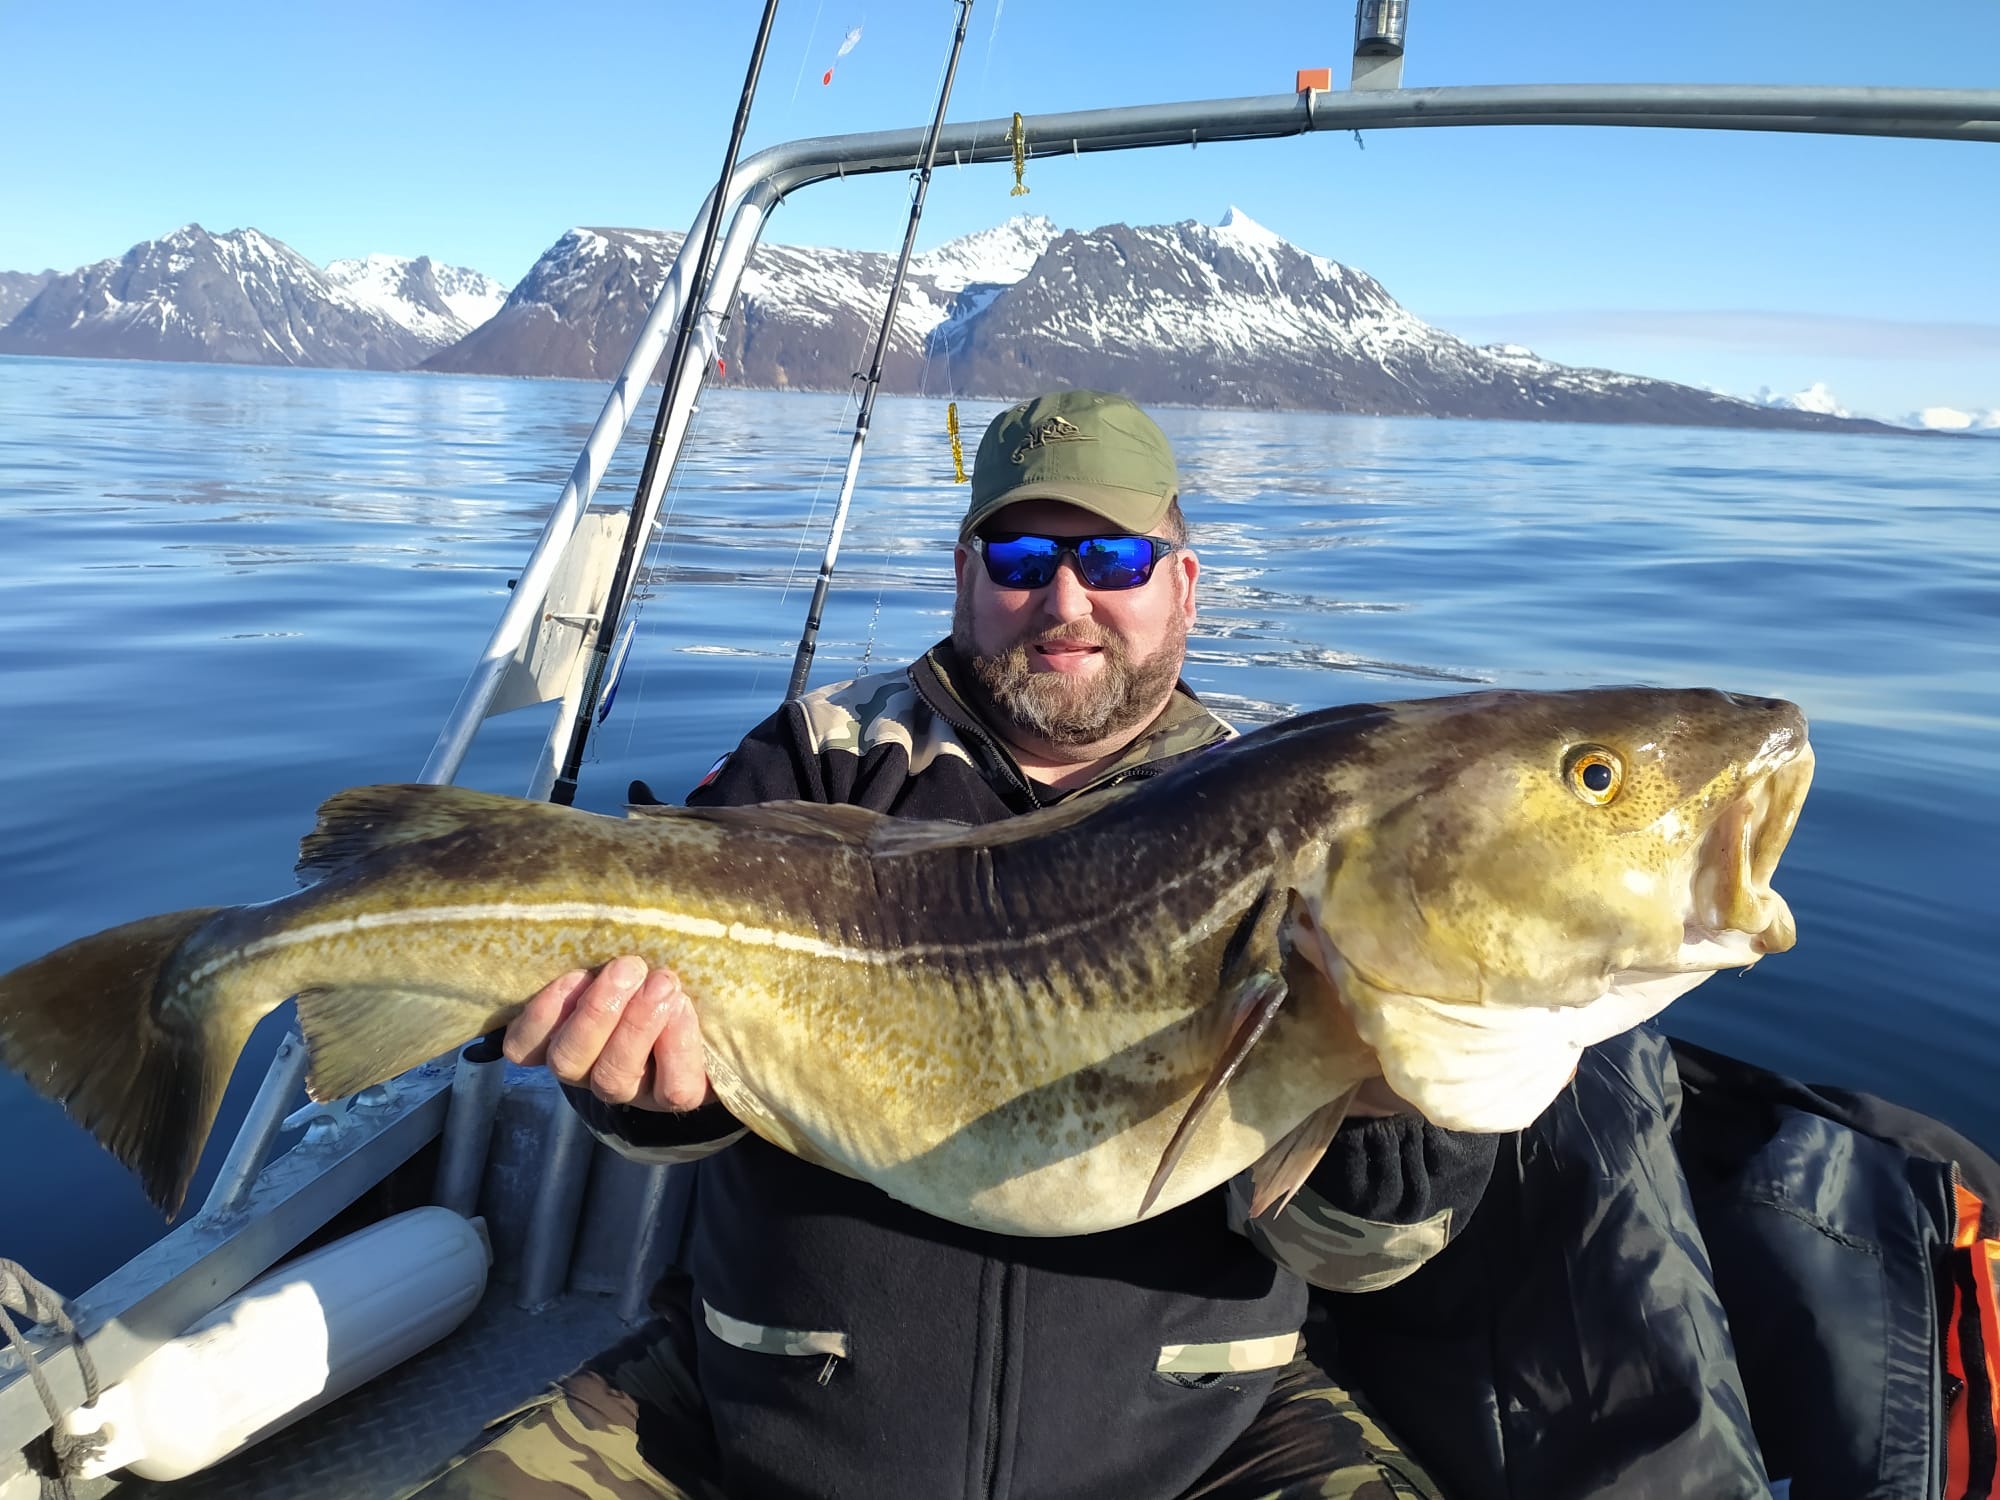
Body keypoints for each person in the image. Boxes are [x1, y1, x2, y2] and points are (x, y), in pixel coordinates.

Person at [416, 390, 1496, 1500]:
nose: (1065, 598)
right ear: (964, 573)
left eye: (1114, 558)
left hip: (1200, 1452)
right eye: (1022, 554)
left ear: (1182, 581)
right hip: (763, 1425)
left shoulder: (1285, 816)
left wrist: (1388, 1088)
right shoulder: (818, 759)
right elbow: (657, 1106)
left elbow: (1365, 1256)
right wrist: (641, 1086)